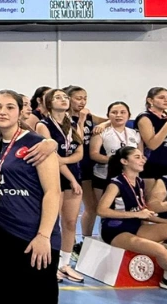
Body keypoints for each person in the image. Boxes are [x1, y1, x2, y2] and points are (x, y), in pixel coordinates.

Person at [0, 89, 70, 304]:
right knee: (8, 302)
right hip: (0, 231)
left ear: (21, 111)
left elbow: (53, 192)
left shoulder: (37, 145)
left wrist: (44, 235)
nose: (3, 111)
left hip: (34, 236)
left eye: (10, 106)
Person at [98, 147, 167, 295]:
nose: (143, 160)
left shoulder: (139, 182)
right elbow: (101, 210)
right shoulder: (115, 183)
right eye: (137, 157)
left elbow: (144, 212)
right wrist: (136, 215)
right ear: (124, 161)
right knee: (160, 250)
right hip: (116, 229)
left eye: (142, 157)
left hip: (136, 226)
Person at [36, 89, 84, 282]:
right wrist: (71, 178)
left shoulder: (72, 124)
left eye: (65, 97)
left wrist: (65, 162)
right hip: (55, 177)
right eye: (58, 97)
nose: (63, 100)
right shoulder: (43, 125)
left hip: (73, 173)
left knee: (70, 222)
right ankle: (52, 263)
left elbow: (80, 153)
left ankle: (65, 263)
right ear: (49, 103)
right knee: (53, 222)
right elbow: (51, 156)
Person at [66, 86, 108, 258]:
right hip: (73, 167)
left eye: (84, 98)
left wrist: (103, 124)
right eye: (78, 98)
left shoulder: (90, 116)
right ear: (68, 99)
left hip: (90, 166)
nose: (82, 102)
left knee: (93, 207)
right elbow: (77, 140)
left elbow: (111, 119)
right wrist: (81, 121)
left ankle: (86, 241)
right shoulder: (65, 118)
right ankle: (69, 246)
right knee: (72, 212)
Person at [89, 101, 142, 208]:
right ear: (108, 115)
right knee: (104, 209)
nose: (118, 115)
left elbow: (140, 155)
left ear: (129, 115)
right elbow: (94, 154)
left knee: (130, 208)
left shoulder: (135, 133)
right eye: (114, 112)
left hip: (130, 177)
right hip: (104, 176)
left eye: (123, 112)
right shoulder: (100, 132)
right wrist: (115, 161)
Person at [136, 87, 167, 192]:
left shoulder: (166, 118)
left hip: (165, 165)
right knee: (152, 200)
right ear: (150, 100)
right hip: (149, 166)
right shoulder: (145, 117)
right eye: (161, 97)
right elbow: (152, 145)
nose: (166, 100)